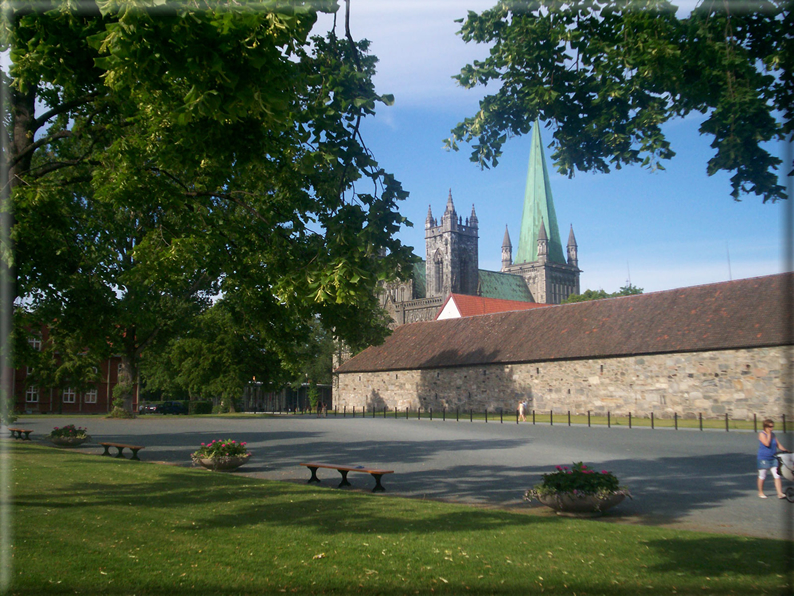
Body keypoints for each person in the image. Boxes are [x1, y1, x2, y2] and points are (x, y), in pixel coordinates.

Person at [757, 418, 790, 499]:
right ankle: (760, 492)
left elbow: (778, 445)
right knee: (762, 476)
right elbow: (767, 444)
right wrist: (768, 434)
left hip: (773, 457)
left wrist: (785, 450)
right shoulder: (762, 434)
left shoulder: (773, 435)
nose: (772, 428)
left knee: (777, 475)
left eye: (772, 426)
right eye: (770, 427)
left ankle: (780, 493)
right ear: (765, 427)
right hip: (763, 458)